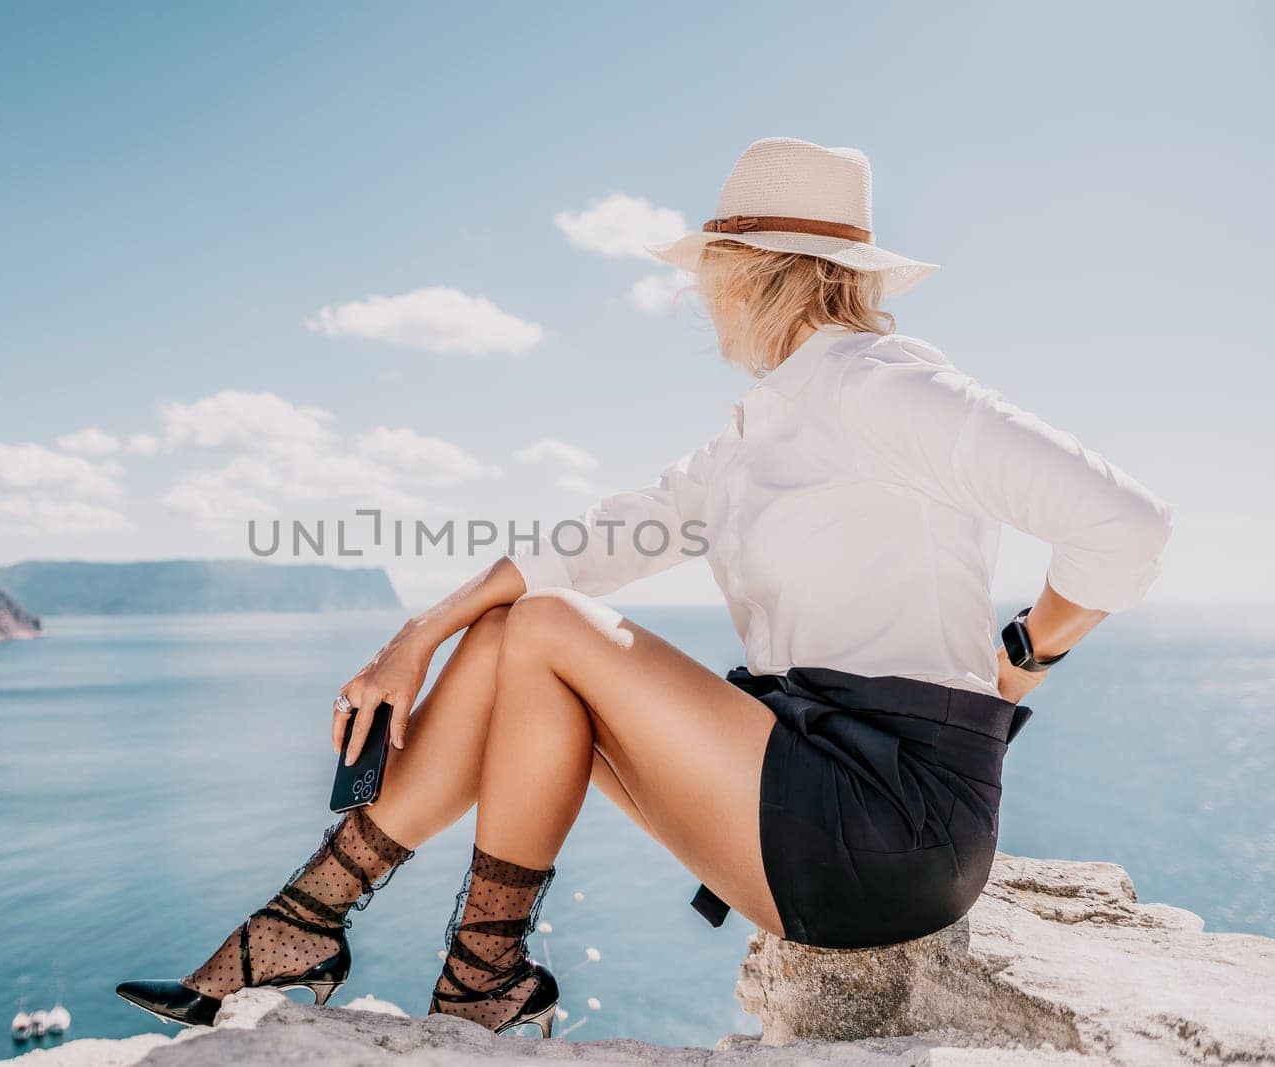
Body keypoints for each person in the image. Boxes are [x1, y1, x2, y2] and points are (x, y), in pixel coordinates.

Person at [117, 137, 1173, 1037]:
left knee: (543, 633)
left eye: (706, 268)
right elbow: (593, 542)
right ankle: (371, 937)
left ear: (752, 269)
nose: (693, 295)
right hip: (813, 783)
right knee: (515, 638)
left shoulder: (882, 387)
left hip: (892, 823)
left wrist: (1020, 658)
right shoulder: (767, 424)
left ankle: (399, 949)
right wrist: (422, 630)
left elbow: (1125, 525)